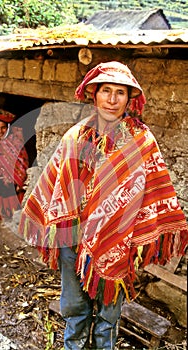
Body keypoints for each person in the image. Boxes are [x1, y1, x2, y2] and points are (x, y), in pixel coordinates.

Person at [18, 61, 188, 349]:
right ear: (93, 94)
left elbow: (155, 191)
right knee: (74, 309)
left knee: (109, 316)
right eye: (106, 91)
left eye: (120, 92)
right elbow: (55, 185)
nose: (112, 99)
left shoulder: (142, 141)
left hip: (118, 243)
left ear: (129, 98)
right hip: (72, 240)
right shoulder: (74, 137)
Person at [0, 108, 29, 219]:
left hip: (10, 183)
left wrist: (19, 181)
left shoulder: (16, 142)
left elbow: (22, 163)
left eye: (3, 127)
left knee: (10, 214)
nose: (0, 131)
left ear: (8, 127)